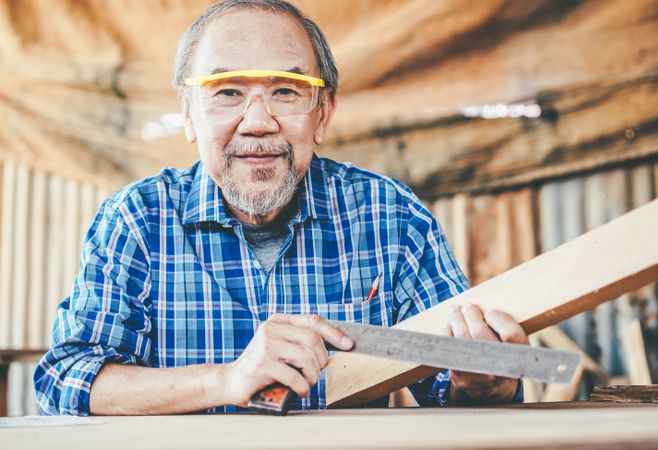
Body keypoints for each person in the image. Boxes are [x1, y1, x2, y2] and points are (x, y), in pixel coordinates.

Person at [34, 0, 529, 415]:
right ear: (189, 116)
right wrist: (226, 380)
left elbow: (452, 384)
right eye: (227, 93)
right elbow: (68, 379)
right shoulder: (137, 219)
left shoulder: (390, 216)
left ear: (323, 112)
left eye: (285, 92)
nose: (257, 122)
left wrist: (485, 381)